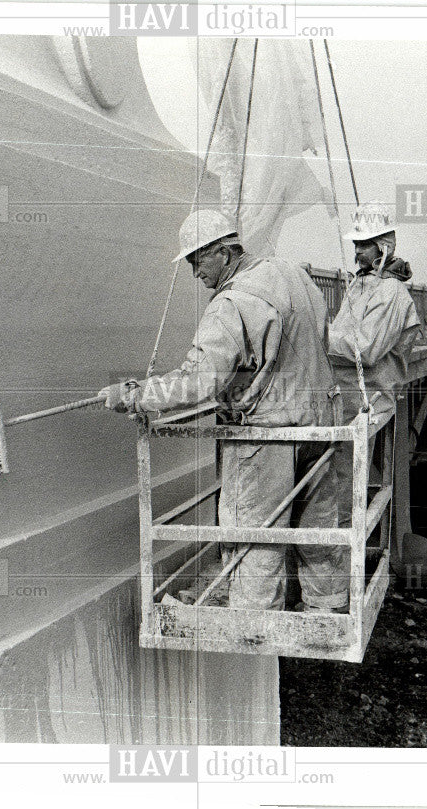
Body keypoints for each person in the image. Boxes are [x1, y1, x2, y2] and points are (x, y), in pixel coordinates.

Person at [99, 210, 348, 612]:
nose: (194, 272)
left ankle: (253, 613)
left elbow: (199, 381)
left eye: (197, 260)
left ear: (223, 251)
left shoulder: (230, 305)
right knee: (316, 526)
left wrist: (134, 395)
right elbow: (320, 338)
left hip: (266, 436)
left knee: (254, 533)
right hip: (320, 425)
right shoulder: (293, 274)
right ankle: (329, 604)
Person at [328, 202, 427, 580]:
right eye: (356, 243)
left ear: (383, 247)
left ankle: (340, 578)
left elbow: (365, 349)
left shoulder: (391, 294)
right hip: (347, 396)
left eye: (365, 244)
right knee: (331, 485)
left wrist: (316, 335)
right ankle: (333, 567)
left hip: (369, 401)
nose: (357, 251)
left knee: (342, 491)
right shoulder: (361, 286)